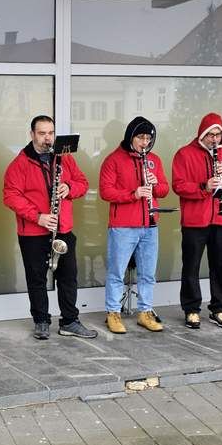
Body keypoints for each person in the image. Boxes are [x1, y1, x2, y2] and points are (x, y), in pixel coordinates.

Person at [2, 115, 97, 340]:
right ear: (32, 134)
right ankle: (41, 321)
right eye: (42, 133)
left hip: (62, 229)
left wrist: (69, 187)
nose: (48, 138)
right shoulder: (19, 163)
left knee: (68, 277)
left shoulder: (64, 158)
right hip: (33, 232)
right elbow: (10, 196)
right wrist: (38, 217)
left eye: (51, 133)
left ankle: (69, 321)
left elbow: (83, 183)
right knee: (37, 279)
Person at [171, 112, 222, 330]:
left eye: (218, 135)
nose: (214, 139)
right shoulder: (184, 154)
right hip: (195, 221)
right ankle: (191, 309)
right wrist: (203, 186)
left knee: (219, 265)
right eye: (210, 135)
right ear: (202, 134)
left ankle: (219, 308)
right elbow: (178, 185)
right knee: (191, 266)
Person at [98, 116, 168, 334]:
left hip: (150, 224)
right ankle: (113, 312)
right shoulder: (113, 160)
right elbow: (105, 192)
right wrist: (133, 194)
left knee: (148, 274)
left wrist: (156, 184)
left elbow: (164, 190)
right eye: (140, 138)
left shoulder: (154, 160)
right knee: (116, 272)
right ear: (131, 137)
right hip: (123, 226)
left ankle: (145, 312)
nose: (145, 143)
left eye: (148, 138)